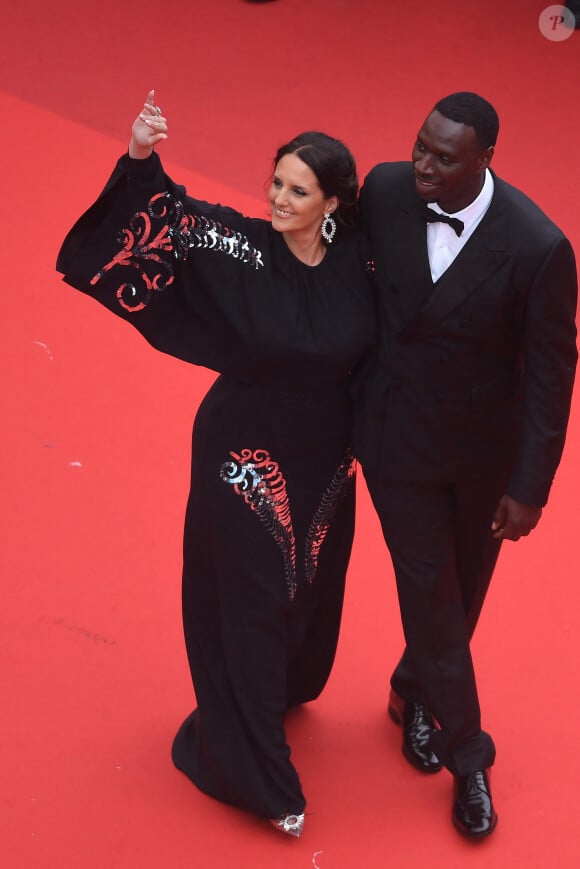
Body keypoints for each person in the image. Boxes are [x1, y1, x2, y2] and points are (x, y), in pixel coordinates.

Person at [56, 91, 375, 837]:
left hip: (327, 461)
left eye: (299, 190)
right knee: (252, 602)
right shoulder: (242, 248)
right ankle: (256, 770)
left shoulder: (362, 263)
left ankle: (280, 692)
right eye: (275, 183)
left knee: (306, 587)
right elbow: (166, 216)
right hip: (243, 459)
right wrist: (140, 155)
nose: (279, 199)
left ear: (332, 201)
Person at [354, 91, 577, 840]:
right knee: (435, 595)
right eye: (419, 145)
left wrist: (529, 487)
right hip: (395, 441)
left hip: (483, 457)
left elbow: (552, 374)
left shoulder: (539, 246)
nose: (421, 163)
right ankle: (469, 757)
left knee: (464, 591)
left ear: (485, 158)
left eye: (442, 157)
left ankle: (412, 692)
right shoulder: (384, 190)